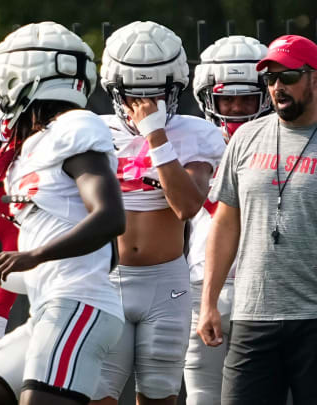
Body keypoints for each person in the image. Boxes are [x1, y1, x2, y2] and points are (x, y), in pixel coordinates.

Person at [0, 21, 126, 405]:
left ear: (28, 79)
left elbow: (110, 218)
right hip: (49, 309)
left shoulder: (74, 126)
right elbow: (44, 269)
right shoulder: (32, 146)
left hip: (79, 307)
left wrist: (33, 254)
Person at [197, 34, 317, 405]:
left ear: (315, 78)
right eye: (270, 79)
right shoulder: (246, 138)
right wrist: (209, 301)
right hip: (253, 313)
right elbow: (225, 223)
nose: (277, 87)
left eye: (287, 77)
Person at [91, 21, 225, 405]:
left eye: (158, 97)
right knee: (97, 396)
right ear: (115, 92)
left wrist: (156, 137)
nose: (146, 106)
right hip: (105, 279)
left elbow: (187, 206)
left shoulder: (194, 133)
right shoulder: (93, 131)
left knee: (159, 397)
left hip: (166, 282)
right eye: (135, 96)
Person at [185, 35, 269, 405]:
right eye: (226, 98)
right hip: (203, 284)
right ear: (208, 97)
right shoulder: (192, 142)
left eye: (246, 98)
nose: (236, 107)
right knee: (202, 395)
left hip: (264, 284)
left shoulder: (282, 142)